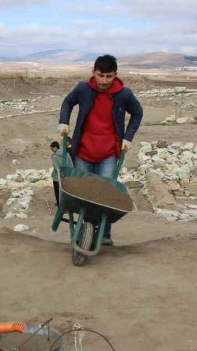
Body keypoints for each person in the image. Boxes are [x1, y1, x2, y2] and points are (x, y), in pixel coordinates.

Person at [57, 54, 143, 245]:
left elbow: (138, 113)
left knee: (106, 195)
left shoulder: (124, 94)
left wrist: (128, 137)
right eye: (100, 75)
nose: (104, 81)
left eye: (109, 76)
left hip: (109, 155)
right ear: (93, 72)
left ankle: (104, 233)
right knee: (84, 195)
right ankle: (84, 229)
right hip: (83, 152)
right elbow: (68, 102)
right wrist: (64, 121)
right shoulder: (83, 89)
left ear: (116, 75)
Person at [50, 141, 73, 206]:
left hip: (57, 177)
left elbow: (56, 167)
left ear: (55, 147)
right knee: (65, 191)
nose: (51, 150)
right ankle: (67, 203)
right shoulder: (66, 153)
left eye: (51, 148)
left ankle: (59, 204)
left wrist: (54, 173)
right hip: (67, 176)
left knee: (57, 191)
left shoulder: (54, 156)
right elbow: (71, 164)